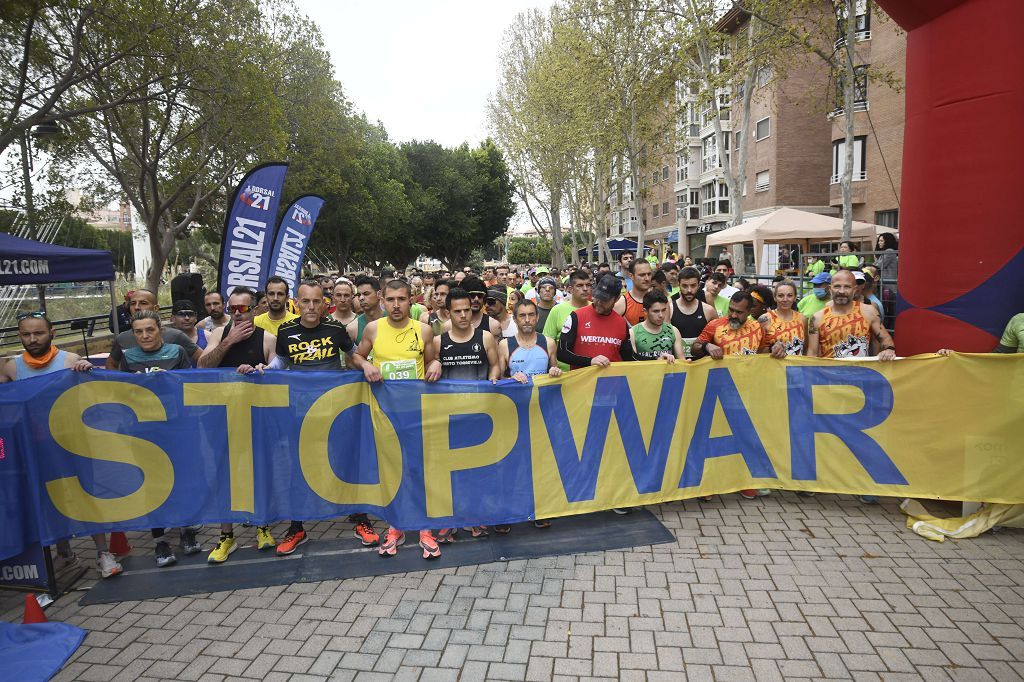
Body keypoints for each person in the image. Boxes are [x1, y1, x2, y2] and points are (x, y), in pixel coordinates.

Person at [0, 311, 121, 578]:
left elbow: (93, 398)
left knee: (85, 495)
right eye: (26, 334)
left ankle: (103, 552)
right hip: (33, 448)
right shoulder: (11, 367)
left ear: (52, 333)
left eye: (38, 333)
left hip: (71, 443)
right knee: (46, 499)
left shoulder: (70, 361)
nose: (32, 339)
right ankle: (65, 554)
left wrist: (87, 373)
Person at [274, 281, 374, 555]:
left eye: (316, 302)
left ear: (323, 303)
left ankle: (361, 519)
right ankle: (297, 527)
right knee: (298, 468)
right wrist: (262, 368)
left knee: (346, 463)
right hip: (300, 414)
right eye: (305, 301)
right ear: (296, 302)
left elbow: (353, 355)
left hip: (335, 411)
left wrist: (366, 365)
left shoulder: (335, 329)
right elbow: (280, 363)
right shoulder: (285, 330)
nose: (311, 307)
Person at [355, 280, 443, 559]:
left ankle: (424, 527)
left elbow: (430, 361)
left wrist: (436, 363)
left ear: (411, 300)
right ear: (382, 300)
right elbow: (355, 357)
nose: (396, 305)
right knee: (392, 472)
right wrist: (366, 364)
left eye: (401, 299)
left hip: (417, 413)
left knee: (419, 469)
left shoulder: (424, 330)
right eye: (391, 299)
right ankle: (395, 527)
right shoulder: (373, 329)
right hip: (384, 414)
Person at [198, 287, 281, 562]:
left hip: (258, 418)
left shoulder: (268, 338)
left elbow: (281, 378)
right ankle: (226, 535)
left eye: (242, 308)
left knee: (259, 472)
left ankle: (262, 526)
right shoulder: (218, 334)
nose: (236, 313)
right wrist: (228, 342)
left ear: (255, 309)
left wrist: (262, 373)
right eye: (231, 308)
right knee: (225, 474)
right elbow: (202, 367)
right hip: (222, 416)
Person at [116, 310, 200, 566]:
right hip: (143, 432)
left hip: (176, 428)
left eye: (149, 329)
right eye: (138, 331)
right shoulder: (127, 357)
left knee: (181, 482)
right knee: (152, 487)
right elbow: (120, 391)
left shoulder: (177, 352)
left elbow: (190, 387)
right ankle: (160, 542)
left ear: (160, 330)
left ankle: (186, 532)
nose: (144, 335)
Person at [807, 269, 895, 362]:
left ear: (855, 289)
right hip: (828, 375)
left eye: (847, 287)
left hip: (860, 374)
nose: (841, 291)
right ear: (829, 289)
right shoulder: (817, 318)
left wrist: (889, 350)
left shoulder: (869, 311)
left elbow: (885, 339)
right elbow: (812, 353)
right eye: (837, 286)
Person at [106, 289, 201, 370]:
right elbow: (111, 364)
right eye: (133, 303)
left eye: (143, 303)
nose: (137, 307)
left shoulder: (176, 336)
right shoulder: (122, 338)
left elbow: (202, 359)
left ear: (156, 308)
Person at [557, 275, 635, 370]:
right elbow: (562, 353)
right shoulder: (576, 316)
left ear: (616, 299)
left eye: (604, 299)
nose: (599, 302)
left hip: (612, 381)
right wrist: (590, 361)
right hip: (583, 382)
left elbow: (629, 357)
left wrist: (655, 359)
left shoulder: (621, 323)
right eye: (597, 296)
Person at [542, 270, 593, 371]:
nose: (585, 289)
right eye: (580, 285)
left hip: (591, 372)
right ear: (570, 289)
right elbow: (548, 341)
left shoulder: (596, 309)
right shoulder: (557, 310)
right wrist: (553, 367)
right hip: (563, 373)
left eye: (588, 285)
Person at [669, 266, 719, 360]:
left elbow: (719, 337)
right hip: (677, 367)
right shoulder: (669, 308)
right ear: (679, 284)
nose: (689, 290)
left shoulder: (708, 310)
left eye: (693, 285)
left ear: (699, 285)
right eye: (684, 286)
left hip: (702, 365)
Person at [630, 290, 684, 361]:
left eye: (664, 310)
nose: (661, 315)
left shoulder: (673, 330)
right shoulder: (633, 333)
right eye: (656, 311)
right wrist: (657, 360)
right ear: (645, 311)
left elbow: (682, 362)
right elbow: (632, 363)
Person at [760, 280, 806, 356]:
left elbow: (805, 348)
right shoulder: (765, 319)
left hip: (796, 367)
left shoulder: (802, 319)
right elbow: (759, 351)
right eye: (781, 296)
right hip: (774, 366)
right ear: (775, 297)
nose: (785, 299)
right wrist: (772, 348)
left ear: (795, 297)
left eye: (790, 295)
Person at [347, 275, 385, 345]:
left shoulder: (393, 319)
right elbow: (349, 355)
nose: (361, 298)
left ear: (379, 294)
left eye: (366, 294)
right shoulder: (353, 328)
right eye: (358, 295)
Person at [614, 259, 652, 325]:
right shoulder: (622, 303)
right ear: (631, 276)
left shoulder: (659, 299)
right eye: (642, 275)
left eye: (649, 274)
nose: (647, 278)